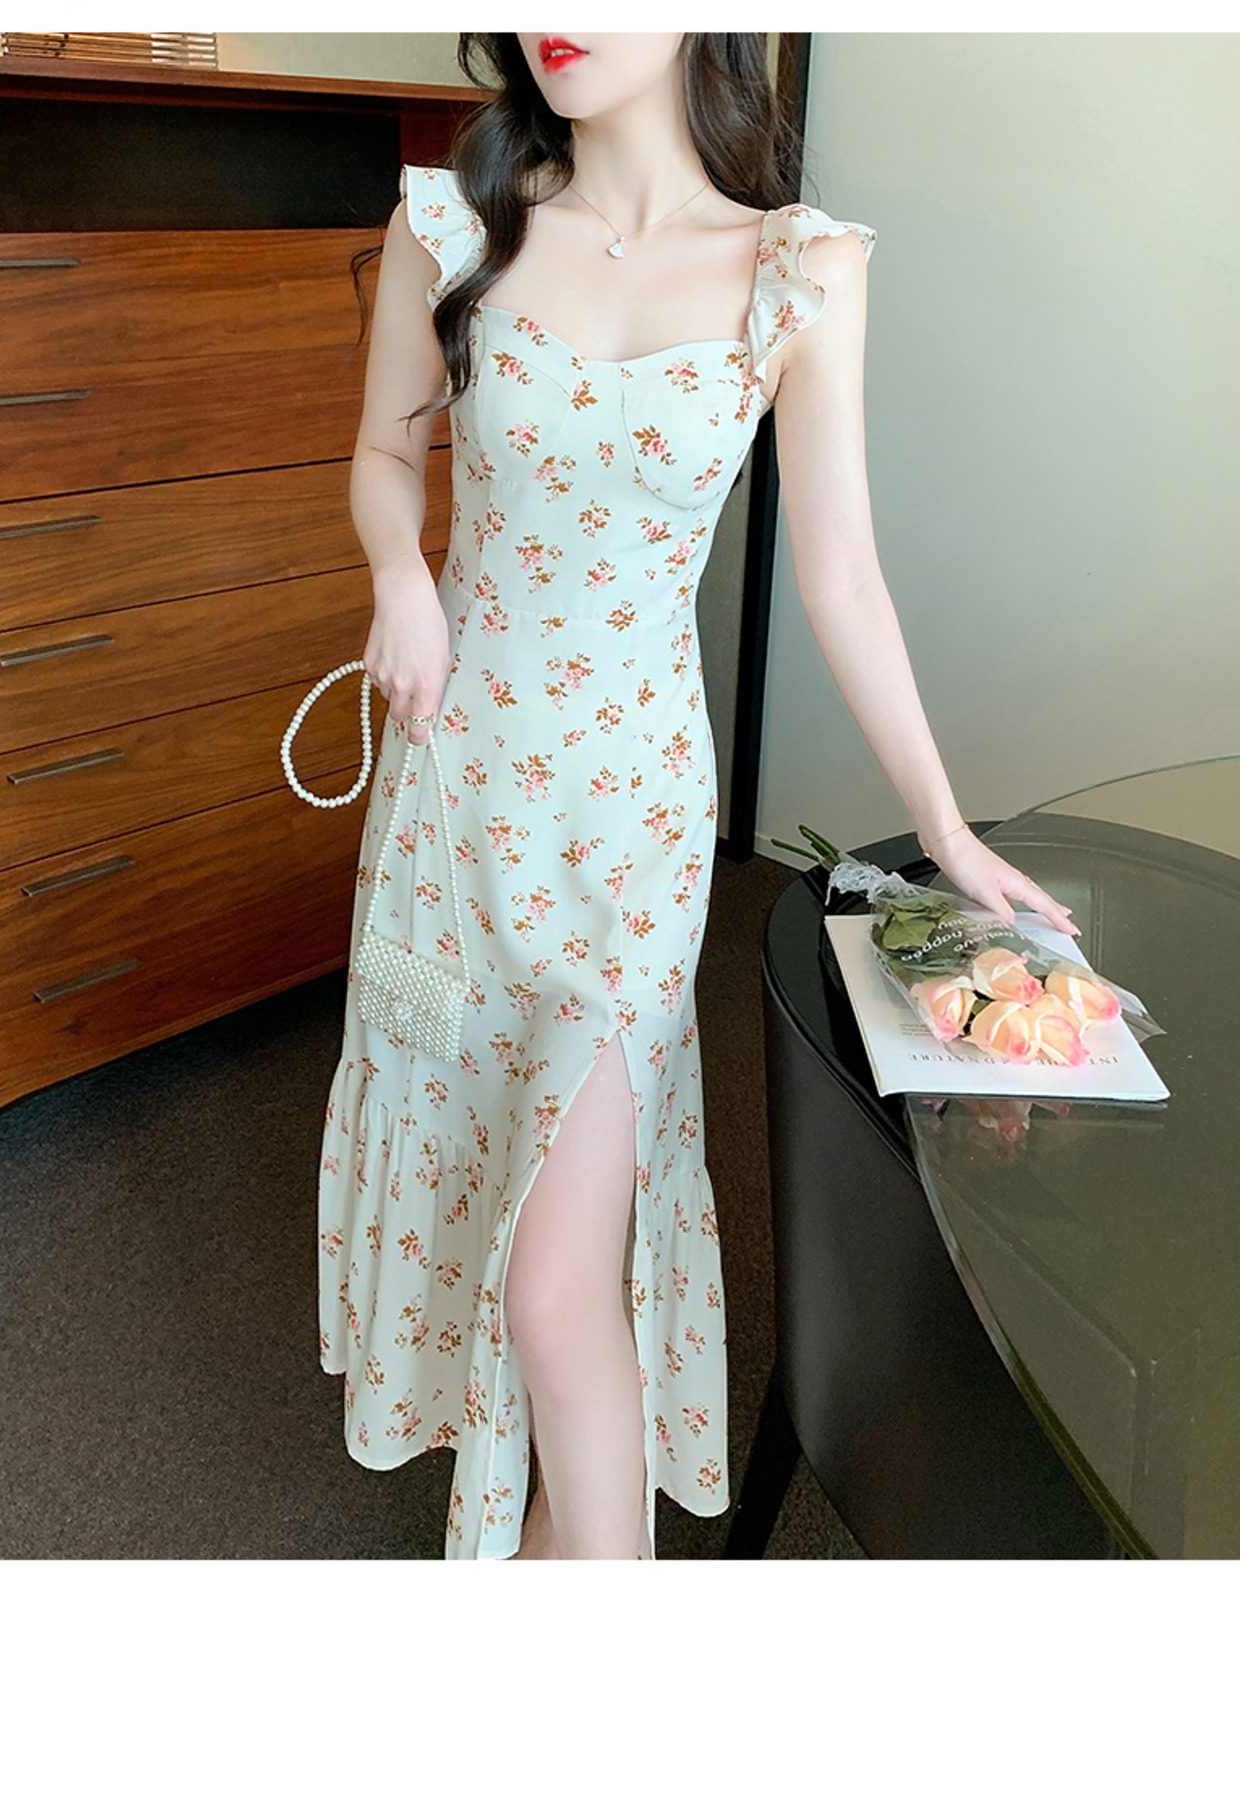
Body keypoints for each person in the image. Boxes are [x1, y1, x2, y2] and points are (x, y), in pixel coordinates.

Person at [318, 32, 1081, 1562]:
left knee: (554, 1286)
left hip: (631, 830)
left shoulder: (799, 272)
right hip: (454, 804)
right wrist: (399, 574)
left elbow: (842, 577)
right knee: (480, 1161)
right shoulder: (451, 226)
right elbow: (384, 458)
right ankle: (548, 1507)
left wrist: (944, 825)